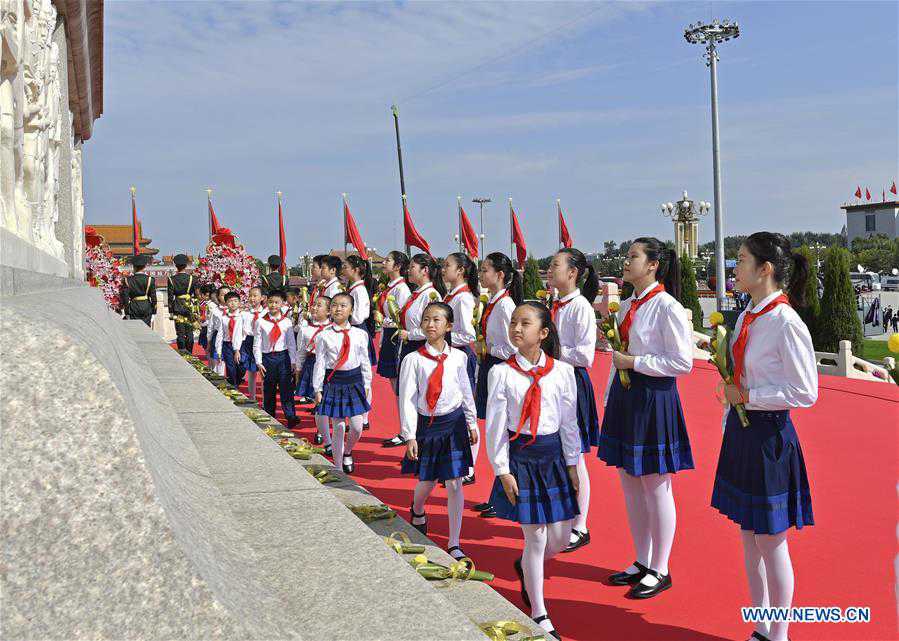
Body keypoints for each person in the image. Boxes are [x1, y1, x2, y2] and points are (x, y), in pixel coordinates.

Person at [711, 232, 817, 641]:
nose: (734, 268)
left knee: (771, 542)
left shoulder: (785, 322)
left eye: (740, 260)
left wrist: (750, 397)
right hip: (742, 434)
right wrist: (732, 398)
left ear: (764, 269)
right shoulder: (746, 316)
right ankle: (759, 626)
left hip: (770, 438)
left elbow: (806, 390)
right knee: (748, 537)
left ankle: (780, 633)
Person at [598, 237, 694, 600]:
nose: (626, 262)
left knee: (656, 485)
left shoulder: (667, 306)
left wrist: (635, 364)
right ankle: (641, 560)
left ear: (653, 264)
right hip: (626, 398)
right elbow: (620, 354)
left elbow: (682, 362)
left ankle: (661, 566)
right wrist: (611, 392)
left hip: (654, 398)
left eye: (633, 257)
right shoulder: (625, 306)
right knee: (630, 483)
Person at [485, 302, 580, 641]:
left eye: (525, 323)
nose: (516, 328)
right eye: (513, 322)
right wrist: (502, 470)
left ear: (542, 333)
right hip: (521, 458)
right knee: (536, 537)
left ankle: (525, 565)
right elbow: (495, 426)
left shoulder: (563, 372)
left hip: (553, 457)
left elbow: (570, 423)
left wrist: (572, 464)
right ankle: (539, 610)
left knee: (560, 537)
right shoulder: (501, 372)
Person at [399, 302, 478, 560]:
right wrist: (409, 434)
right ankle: (418, 508)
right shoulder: (413, 360)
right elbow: (408, 399)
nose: (430, 324)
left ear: (449, 326)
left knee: (455, 483)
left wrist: (471, 422)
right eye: (426, 319)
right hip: (427, 426)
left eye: (436, 320)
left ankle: (455, 542)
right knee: (428, 481)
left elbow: (465, 390)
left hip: (453, 424)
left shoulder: (459, 357)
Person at [545, 248, 601, 553]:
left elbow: (585, 355)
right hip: (554, 382)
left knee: (575, 456)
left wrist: (551, 354)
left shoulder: (580, 307)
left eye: (555, 265)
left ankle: (581, 524)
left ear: (573, 273)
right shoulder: (556, 305)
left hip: (572, 384)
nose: (550, 270)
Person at [473, 252, 522, 518]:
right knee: (496, 432)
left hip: (500, 366)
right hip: (490, 365)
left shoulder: (505, 307)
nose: (481, 275)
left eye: (485, 271)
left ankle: (503, 495)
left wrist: (488, 347)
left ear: (500, 275)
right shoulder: (492, 302)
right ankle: (496, 495)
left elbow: (513, 347)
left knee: (501, 433)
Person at [382, 254, 443, 448]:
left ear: (425, 270)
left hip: (422, 348)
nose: (409, 270)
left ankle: (424, 444)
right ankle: (412, 439)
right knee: (409, 395)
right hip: (409, 347)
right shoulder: (415, 294)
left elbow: (432, 327)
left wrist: (411, 334)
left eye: (413, 267)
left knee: (421, 398)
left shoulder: (431, 296)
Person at [312, 293, 372, 474]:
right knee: (338, 426)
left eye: (343, 305)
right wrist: (317, 388)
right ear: (330, 309)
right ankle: (338, 466)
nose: (338, 309)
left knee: (357, 427)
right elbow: (320, 363)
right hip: (334, 382)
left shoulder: (361, 334)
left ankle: (348, 451)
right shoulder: (323, 336)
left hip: (354, 382)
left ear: (351, 310)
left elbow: (364, 360)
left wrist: (367, 383)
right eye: (335, 305)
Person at [442, 252, 479, 483]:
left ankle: (470, 467)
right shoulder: (451, 295)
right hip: (451, 352)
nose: (443, 269)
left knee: (466, 409)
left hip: (460, 354)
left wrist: (443, 337)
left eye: (448, 265)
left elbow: (467, 333)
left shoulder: (463, 298)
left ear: (461, 271)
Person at [378, 251, 413, 447]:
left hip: (396, 338)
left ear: (398, 266)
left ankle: (406, 431)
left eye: (388, 260)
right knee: (395, 386)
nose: (384, 263)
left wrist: (382, 320)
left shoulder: (402, 289)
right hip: (389, 336)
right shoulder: (389, 287)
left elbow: (400, 319)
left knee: (401, 387)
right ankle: (403, 429)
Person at [253, 290, 299, 427]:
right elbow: (257, 343)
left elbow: (291, 343)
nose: (273, 305)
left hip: (283, 357)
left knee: (286, 388)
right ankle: (269, 414)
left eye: (277, 302)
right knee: (269, 388)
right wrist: (258, 362)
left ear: (282, 304)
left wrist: (293, 361)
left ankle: (290, 416)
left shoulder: (286, 322)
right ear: (266, 302)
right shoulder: (260, 322)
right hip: (267, 358)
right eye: (271, 302)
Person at [295, 295, 332, 452]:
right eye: (314, 305)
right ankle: (322, 433)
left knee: (328, 400)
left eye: (319, 305)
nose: (315, 308)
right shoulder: (305, 328)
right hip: (312, 363)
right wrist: (298, 369)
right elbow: (301, 351)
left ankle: (324, 429)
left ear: (329, 311)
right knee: (318, 400)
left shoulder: (333, 329)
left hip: (331, 367)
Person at [240, 286, 266, 400]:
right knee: (251, 371)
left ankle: (266, 399)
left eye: (255, 295)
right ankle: (252, 397)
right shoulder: (244, 314)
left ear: (262, 298)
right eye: (250, 295)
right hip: (249, 341)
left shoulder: (266, 313)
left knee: (264, 372)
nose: (252, 298)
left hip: (262, 342)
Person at [216, 292, 246, 387]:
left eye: (235, 301)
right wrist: (219, 351)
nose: (233, 303)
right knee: (230, 368)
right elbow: (220, 334)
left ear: (239, 303)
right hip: (227, 344)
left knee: (241, 367)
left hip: (241, 345)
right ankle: (233, 387)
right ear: (226, 303)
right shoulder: (224, 318)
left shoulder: (242, 316)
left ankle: (238, 379)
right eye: (230, 301)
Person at [167, 254, 196, 352]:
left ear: (175, 265)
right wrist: (196, 310)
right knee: (189, 332)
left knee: (180, 333)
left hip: (177, 307)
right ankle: (190, 352)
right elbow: (196, 296)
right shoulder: (192, 279)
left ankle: (182, 352)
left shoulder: (171, 279)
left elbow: (170, 297)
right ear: (187, 265)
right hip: (189, 306)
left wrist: (170, 311)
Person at [121, 254, 157, 327]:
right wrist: (154, 312)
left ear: (133, 267)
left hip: (134, 307)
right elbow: (153, 298)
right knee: (146, 330)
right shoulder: (150, 280)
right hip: (146, 307)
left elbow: (125, 299)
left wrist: (127, 313)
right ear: (144, 267)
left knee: (135, 330)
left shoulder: (127, 280)